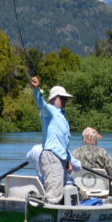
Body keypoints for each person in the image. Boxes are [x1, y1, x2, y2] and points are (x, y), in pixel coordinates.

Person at [31, 76, 74, 204]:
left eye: (66, 99)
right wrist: (36, 89)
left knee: (57, 191)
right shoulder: (49, 111)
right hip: (52, 157)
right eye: (63, 98)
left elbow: (62, 142)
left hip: (60, 158)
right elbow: (40, 103)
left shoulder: (62, 116)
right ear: (54, 98)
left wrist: (68, 160)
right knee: (54, 197)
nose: (66, 101)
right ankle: (46, 218)